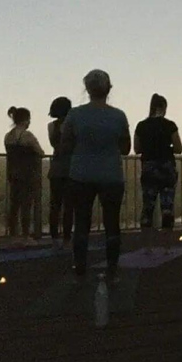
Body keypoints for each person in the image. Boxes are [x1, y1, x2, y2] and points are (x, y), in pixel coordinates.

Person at [60, 70, 131, 281]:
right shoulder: (118, 116)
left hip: (81, 175)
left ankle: (80, 267)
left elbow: (65, 145)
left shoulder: (74, 115)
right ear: (109, 89)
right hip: (111, 176)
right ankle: (112, 268)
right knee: (112, 223)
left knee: (81, 222)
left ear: (87, 89)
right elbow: (126, 148)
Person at [134, 93, 182, 232]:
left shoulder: (141, 126)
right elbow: (179, 148)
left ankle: (146, 243)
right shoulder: (170, 125)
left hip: (149, 168)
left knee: (148, 205)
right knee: (167, 206)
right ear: (163, 107)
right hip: (167, 168)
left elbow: (136, 149)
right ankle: (167, 244)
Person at [4, 106, 44, 244]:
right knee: (26, 205)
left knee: (14, 205)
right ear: (26, 120)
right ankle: (26, 236)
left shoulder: (8, 136)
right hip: (27, 174)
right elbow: (40, 152)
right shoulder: (28, 136)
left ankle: (12, 235)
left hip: (13, 173)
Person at [47, 97, 74, 248]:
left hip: (56, 167)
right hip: (70, 167)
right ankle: (67, 238)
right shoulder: (72, 125)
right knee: (69, 206)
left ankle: (54, 237)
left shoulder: (51, 126)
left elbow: (53, 143)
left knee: (55, 205)